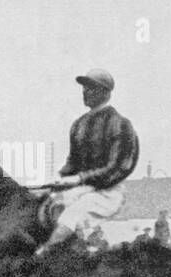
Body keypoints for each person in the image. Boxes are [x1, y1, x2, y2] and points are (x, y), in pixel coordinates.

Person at [45, 68, 140, 249]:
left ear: (105, 92)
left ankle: (43, 254)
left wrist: (80, 178)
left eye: (91, 87)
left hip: (109, 192)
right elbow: (72, 164)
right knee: (50, 204)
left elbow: (117, 169)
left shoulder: (121, 124)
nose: (84, 91)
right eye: (84, 87)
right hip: (83, 189)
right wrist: (58, 179)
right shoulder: (78, 125)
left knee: (70, 216)